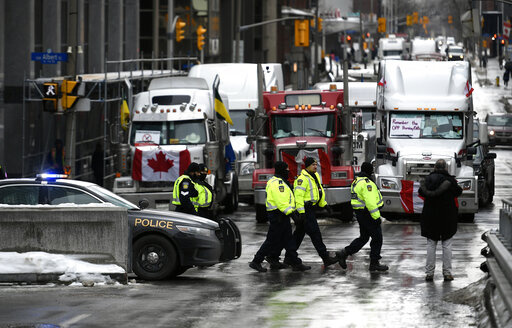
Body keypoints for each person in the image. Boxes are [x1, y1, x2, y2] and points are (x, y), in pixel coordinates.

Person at [249, 161, 310, 273]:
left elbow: (287, 200)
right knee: (272, 241)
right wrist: (294, 216)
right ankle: (257, 261)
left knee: (286, 240)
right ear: (282, 170)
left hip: (281, 215)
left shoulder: (279, 182)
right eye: (287, 169)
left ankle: (280, 260)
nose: (288, 171)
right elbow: (282, 202)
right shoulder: (278, 184)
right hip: (278, 216)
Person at [284, 157, 338, 268]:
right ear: (307, 166)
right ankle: (325, 257)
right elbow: (298, 197)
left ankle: (289, 258)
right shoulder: (302, 179)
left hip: (310, 210)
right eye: (313, 164)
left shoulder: (315, 176)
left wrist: (324, 205)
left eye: (316, 164)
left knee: (298, 236)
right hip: (305, 210)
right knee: (315, 234)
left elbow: (319, 192)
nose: (315, 166)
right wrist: (302, 212)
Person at [336, 162, 388, 272]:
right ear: (369, 171)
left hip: (361, 214)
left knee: (364, 238)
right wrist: (376, 217)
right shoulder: (366, 183)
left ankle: (344, 253)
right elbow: (370, 202)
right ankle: (374, 263)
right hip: (368, 214)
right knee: (377, 238)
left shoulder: (357, 181)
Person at [418, 159, 462, 282]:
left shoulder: (427, 180)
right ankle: (447, 273)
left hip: (430, 216)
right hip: (447, 216)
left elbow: (421, 192)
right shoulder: (451, 181)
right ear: (445, 168)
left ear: (435, 168)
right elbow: (458, 192)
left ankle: (429, 274)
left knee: (431, 245)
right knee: (447, 245)